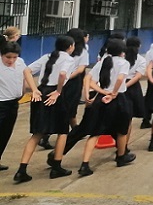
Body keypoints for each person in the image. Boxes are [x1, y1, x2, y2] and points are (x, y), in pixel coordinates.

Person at [13, 35, 75, 183]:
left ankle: (22, 170)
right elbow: (62, 74)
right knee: (62, 131)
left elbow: (27, 71)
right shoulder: (68, 59)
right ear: (70, 47)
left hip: (41, 93)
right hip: (55, 94)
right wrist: (59, 92)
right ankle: (56, 167)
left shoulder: (47, 56)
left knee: (37, 133)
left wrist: (34, 89)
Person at [75, 38, 133, 177]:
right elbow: (120, 79)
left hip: (101, 99)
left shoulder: (102, 63)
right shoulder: (123, 63)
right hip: (118, 99)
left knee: (95, 132)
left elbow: (92, 82)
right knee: (122, 131)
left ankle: (85, 164)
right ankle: (121, 156)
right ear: (122, 52)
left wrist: (103, 92)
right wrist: (113, 94)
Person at [0, 41, 40, 171]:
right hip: (1, 102)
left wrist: (28, 90)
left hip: (13, 102)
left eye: (14, 57)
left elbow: (25, 76)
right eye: (8, 57)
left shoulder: (20, 62)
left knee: (6, 133)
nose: (11, 60)